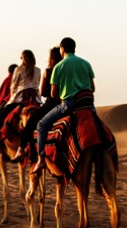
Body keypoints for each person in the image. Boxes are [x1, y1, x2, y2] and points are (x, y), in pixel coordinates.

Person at [32, 37, 95, 173]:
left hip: (69, 104)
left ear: (62, 49)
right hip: (87, 105)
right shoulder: (86, 64)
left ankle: (41, 159)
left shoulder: (58, 67)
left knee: (41, 125)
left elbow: (54, 94)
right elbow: (92, 88)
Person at [0, 50, 41, 150]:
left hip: (21, 98)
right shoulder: (38, 70)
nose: (21, 59)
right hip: (34, 98)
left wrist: (12, 99)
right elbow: (37, 84)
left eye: (21, 57)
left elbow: (13, 87)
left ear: (24, 58)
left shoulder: (19, 70)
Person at [11, 47, 62, 162]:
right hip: (67, 102)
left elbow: (43, 92)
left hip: (52, 103)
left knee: (32, 122)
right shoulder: (65, 70)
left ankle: (22, 149)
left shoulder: (48, 71)